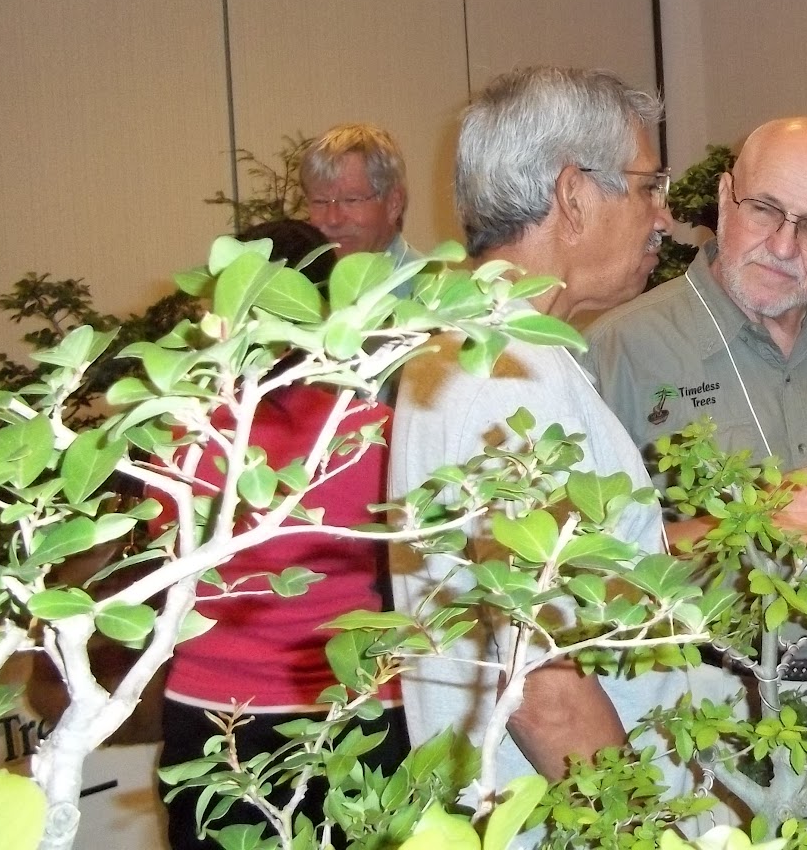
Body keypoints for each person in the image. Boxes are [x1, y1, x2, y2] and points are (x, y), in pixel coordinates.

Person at [387, 66, 686, 794]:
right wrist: (642, 828)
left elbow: (584, 579)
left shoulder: (479, 341)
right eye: (649, 186)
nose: (664, 218)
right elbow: (545, 688)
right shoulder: (508, 374)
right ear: (574, 194)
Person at [587, 117, 807, 613]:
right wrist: (742, 527)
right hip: (720, 684)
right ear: (726, 195)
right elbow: (586, 568)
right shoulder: (621, 350)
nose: (782, 246)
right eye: (765, 209)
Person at [156, 219, 407, 850]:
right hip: (348, 713)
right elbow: (411, 576)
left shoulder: (180, 433)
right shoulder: (373, 432)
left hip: (210, 715)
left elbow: (167, 569)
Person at [301, 123, 420, 267]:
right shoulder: (303, 284)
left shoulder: (429, 286)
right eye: (320, 202)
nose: (333, 219)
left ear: (393, 204)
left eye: (351, 200)